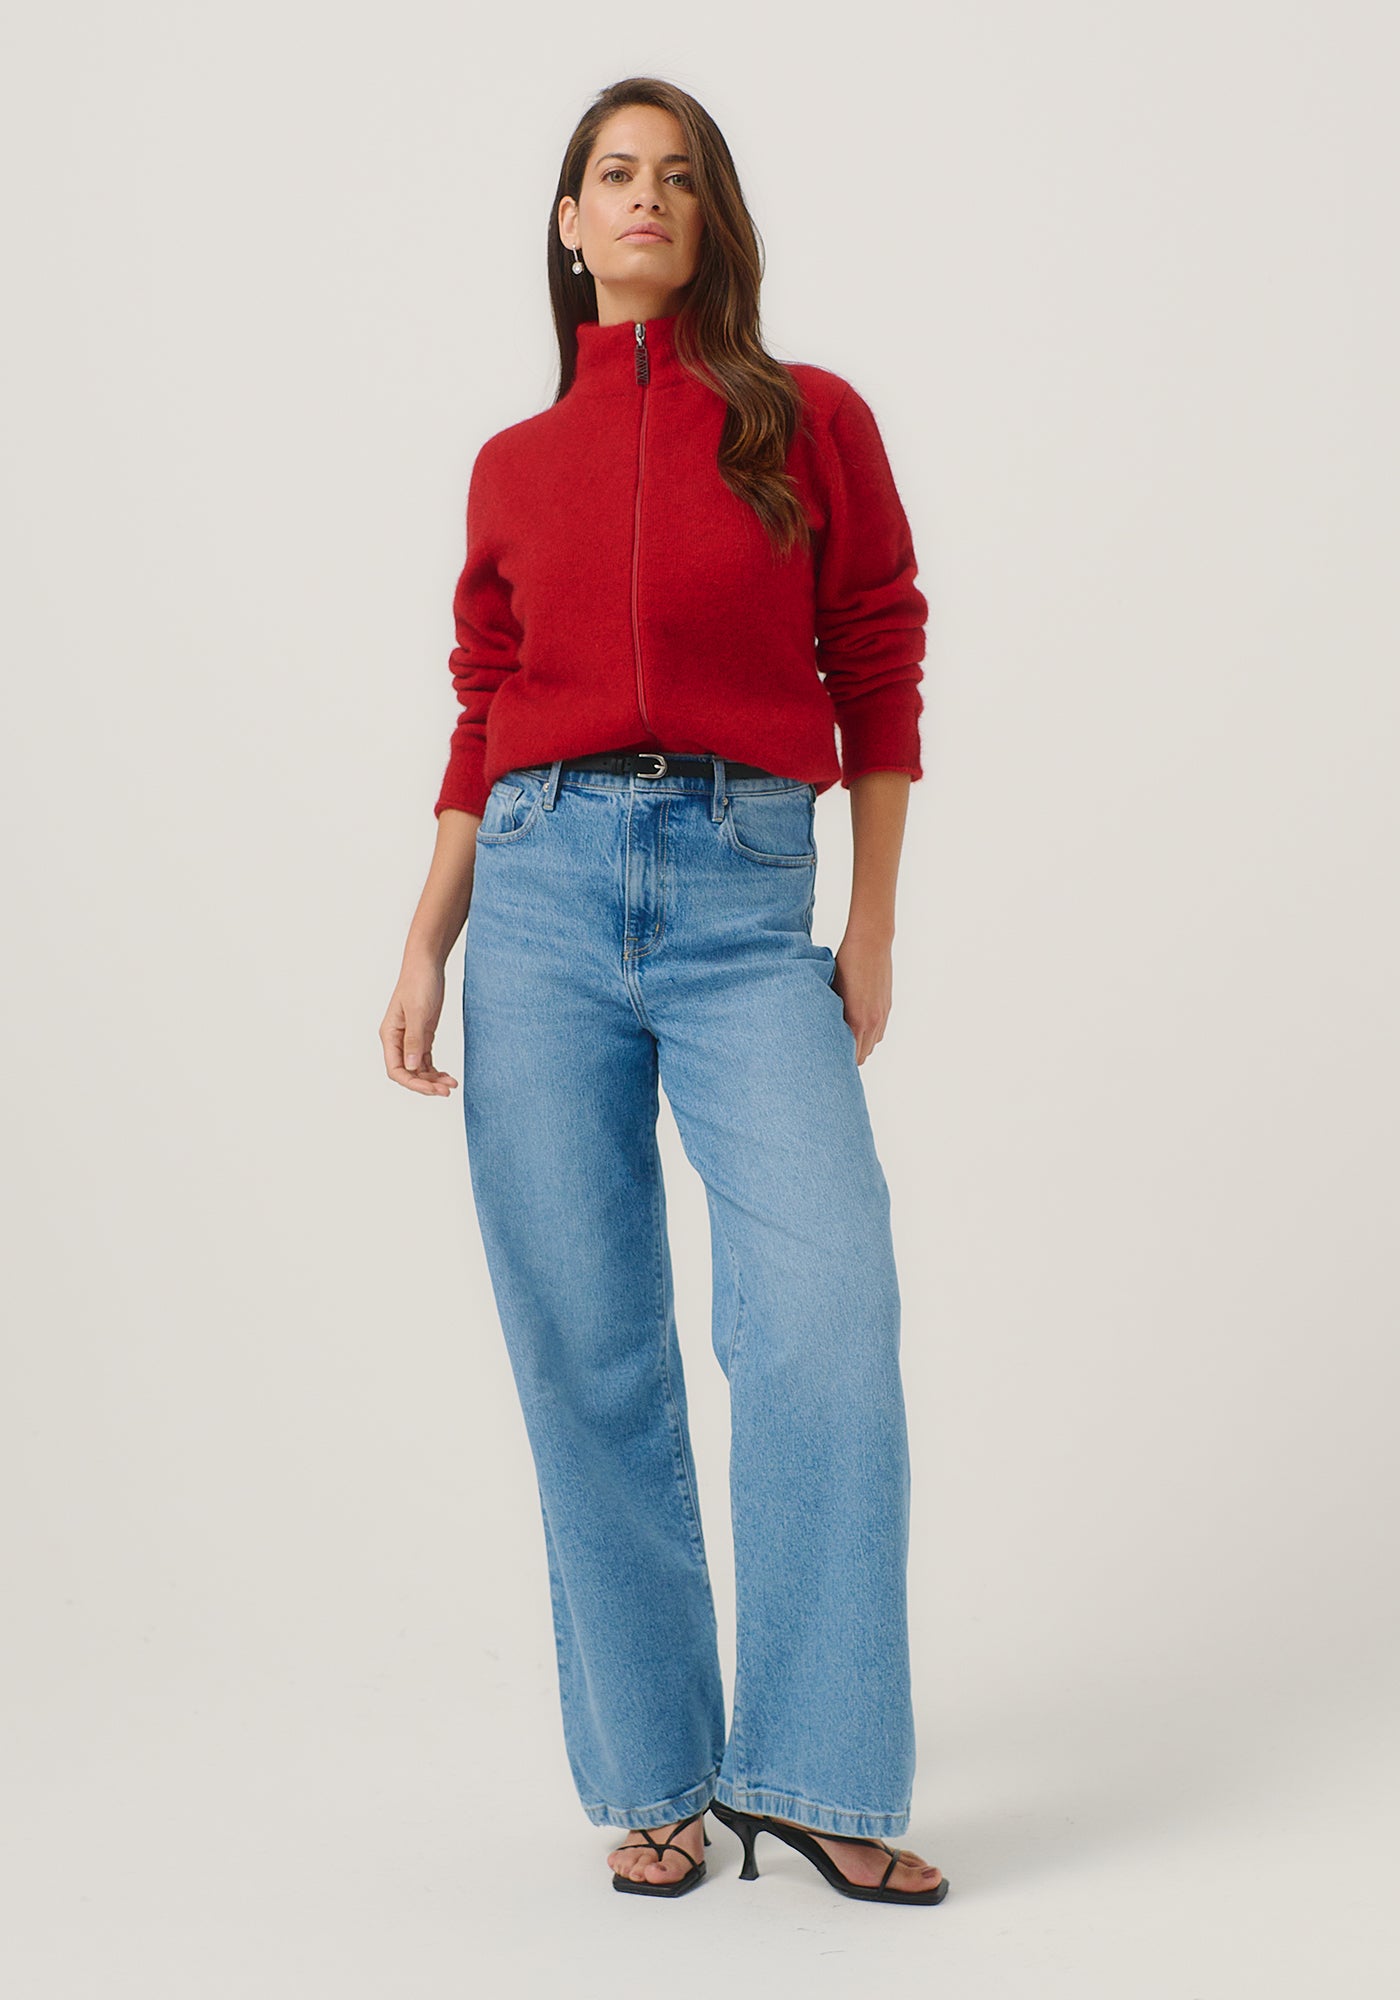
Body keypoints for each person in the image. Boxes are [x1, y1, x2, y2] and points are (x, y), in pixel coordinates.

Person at [380, 77, 948, 1907]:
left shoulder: (808, 420)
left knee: (826, 1307)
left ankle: (820, 1766)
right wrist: (431, 933)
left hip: (741, 890)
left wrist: (869, 923)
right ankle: (655, 1779)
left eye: (678, 177)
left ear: (711, 221)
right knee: (586, 1342)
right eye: (615, 175)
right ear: (570, 222)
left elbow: (877, 652)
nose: (645, 198)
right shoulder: (511, 463)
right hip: (538, 892)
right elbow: (484, 706)